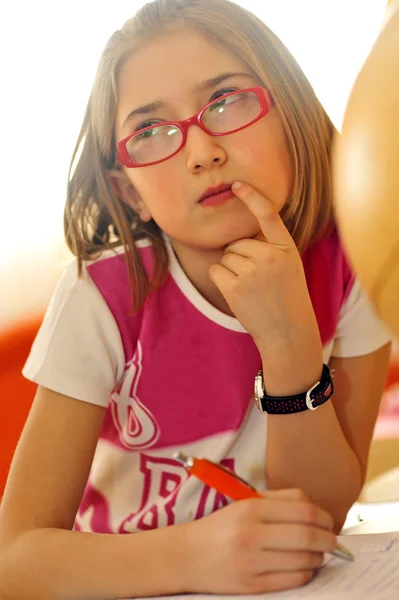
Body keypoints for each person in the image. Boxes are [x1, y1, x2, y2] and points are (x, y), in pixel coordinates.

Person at [0, 0, 392, 598]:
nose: (202, 150)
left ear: (292, 114)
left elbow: (320, 514)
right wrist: (195, 558)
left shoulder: (358, 258)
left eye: (228, 101)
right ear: (130, 194)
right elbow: (14, 558)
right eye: (151, 131)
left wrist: (288, 343)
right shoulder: (100, 298)